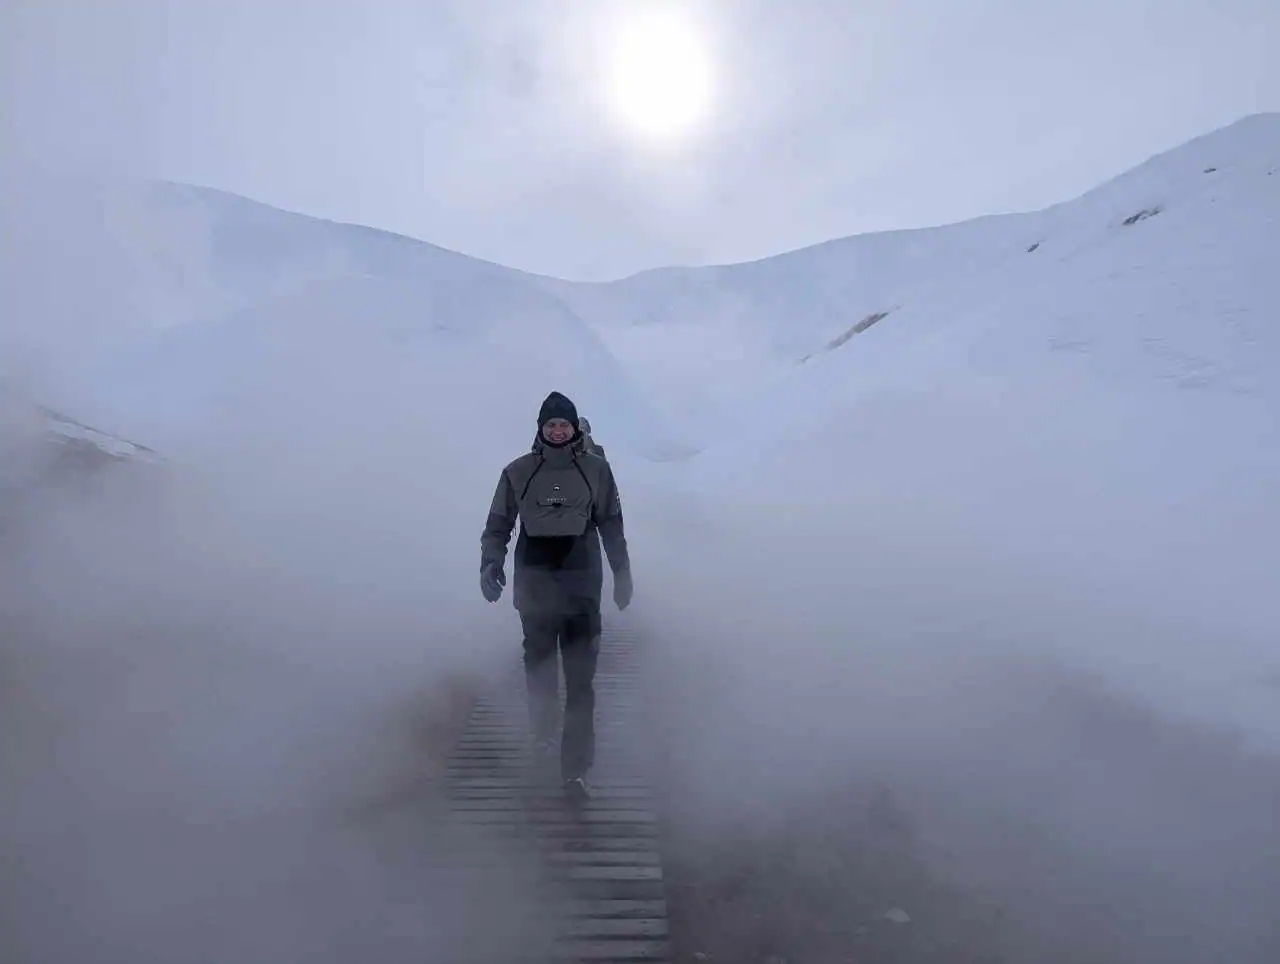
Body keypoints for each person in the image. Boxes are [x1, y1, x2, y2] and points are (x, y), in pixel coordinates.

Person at [480, 391, 633, 801]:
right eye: (550, 424)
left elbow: (612, 525)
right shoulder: (519, 471)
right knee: (541, 670)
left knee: (581, 679)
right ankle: (543, 737)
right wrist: (490, 563)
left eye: (563, 424)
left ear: (574, 427)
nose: (558, 430)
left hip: (582, 582)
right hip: (536, 582)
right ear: (541, 428)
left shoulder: (596, 470)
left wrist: (622, 573)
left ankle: (576, 768)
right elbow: (498, 525)